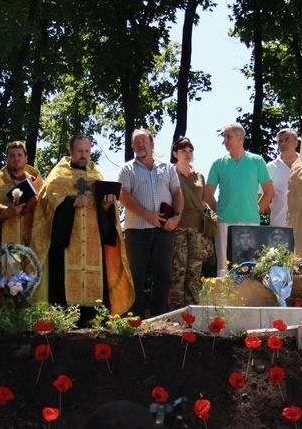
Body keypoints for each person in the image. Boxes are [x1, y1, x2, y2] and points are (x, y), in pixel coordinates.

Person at [30, 135, 134, 318]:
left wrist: (106, 205)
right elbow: (47, 207)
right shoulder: (58, 177)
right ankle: (65, 320)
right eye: (79, 151)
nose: (83, 155)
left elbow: (108, 219)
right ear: (71, 150)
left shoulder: (96, 176)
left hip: (93, 245)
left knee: (96, 299)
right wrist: (70, 203)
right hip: (67, 244)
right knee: (64, 291)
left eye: (87, 151)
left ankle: (94, 318)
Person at [118, 129, 183, 318]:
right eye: (135, 142)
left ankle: (159, 319)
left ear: (152, 145)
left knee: (163, 276)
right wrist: (147, 215)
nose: (139, 145)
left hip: (164, 230)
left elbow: (177, 193)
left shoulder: (168, 168)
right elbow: (124, 196)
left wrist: (177, 217)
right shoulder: (127, 169)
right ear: (132, 146)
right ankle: (135, 319)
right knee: (136, 276)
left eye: (143, 141)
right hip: (136, 231)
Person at [204, 122, 273, 276]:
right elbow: (208, 193)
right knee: (223, 266)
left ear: (240, 138)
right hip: (224, 221)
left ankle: (248, 299)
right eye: (224, 137)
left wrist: (257, 209)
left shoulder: (257, 161)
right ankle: (223, 299)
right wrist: (219, 211)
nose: (225, 141)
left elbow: (269, 191)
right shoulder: (218, 163)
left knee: (250, 265)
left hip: (250, 220)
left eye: (228, 137)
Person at [167, 137, 215, 310]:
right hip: (177, 227)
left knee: (194, 270)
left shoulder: (199, 175)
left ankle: (192, 309)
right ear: (175, 154)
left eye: (190, 151)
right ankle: (175, 309)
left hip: (197, 229)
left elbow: (203, 202)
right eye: (182, 151)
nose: (187, 154)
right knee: (178, 269)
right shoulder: (169, 173)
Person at [0, 141, 43, 247]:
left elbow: (46, 212)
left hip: (33, 241)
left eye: (19, 155)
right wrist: (8, 211)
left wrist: (35, 204)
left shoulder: (38, 183)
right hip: (8, 242)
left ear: (26, 158)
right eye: (12, 155)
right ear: (6, 159)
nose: (16, 158)